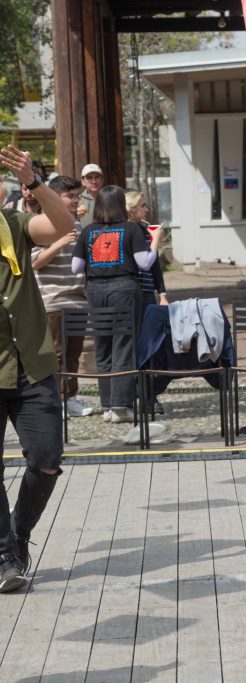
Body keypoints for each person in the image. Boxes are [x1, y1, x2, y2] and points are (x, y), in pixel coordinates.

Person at [0, 144, 77, 592]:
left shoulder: (13, 224)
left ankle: (18, 533)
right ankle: (5, 557)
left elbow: (64, 226)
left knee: (47, 461)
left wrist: (33, 182)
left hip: (32, 362)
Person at [71, 186, 159, 423]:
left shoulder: (88, 231)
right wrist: (155, 243)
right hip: (124, 290)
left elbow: (76, 267)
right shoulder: (131, 229)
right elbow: (144, 263)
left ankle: (108, 406)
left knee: (103, 348)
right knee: (124, 346)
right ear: (121, 205)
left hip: (95, 292)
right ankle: (121, 407)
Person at [31, 176, 92, 419]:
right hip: (53, 300)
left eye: (78, 196)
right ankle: (56, 401)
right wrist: (59, 243)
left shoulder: (78, 225)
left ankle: (71, 398)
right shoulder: (41, 224)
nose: (76, 200)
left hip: (78, 300)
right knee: (56, 355)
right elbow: (34, 264)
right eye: (70, 196)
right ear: (55, 197)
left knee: (74, 354)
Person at [125, 191, 169, 307]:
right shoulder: (122, 232)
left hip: (147, 291)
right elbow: (144, 264)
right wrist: (156, 239)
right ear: (130, 210)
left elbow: (155, 265)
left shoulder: (146, 230)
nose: (147, 210)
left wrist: (162, 295)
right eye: (143, 205)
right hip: (128, 292)